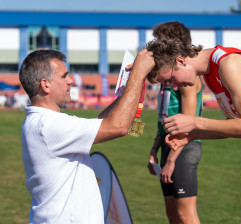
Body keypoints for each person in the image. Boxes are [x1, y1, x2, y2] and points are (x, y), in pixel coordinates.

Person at [143, 38, 241, 224]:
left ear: (180, 60)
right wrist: (194, 135)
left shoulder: (228, 64)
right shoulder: (210, 72)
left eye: (170, 80)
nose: (174, 87)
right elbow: (234, 125)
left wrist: (195, 122)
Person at [19, 49, 154, 223]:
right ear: (45, 85)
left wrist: (127, 90)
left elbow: (99, 122)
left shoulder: (43, 121)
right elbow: (118, 126)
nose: (71, 81)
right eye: (64, 76)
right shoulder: (49, 125)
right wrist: (139, 74)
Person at [147, 21, 203, 224]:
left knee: (185, 214)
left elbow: (187, 123)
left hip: (184, 148)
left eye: (160, 39)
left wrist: (171, 160)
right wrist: (155, 148)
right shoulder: (168, 77)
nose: (156, 45)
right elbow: (164, 118)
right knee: (172, 214)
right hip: (166, 145)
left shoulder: (186, 76)